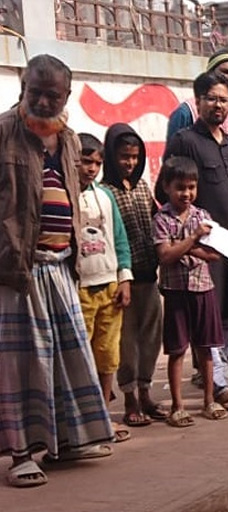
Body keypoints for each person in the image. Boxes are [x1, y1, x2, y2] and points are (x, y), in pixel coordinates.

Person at [1, 55, 116, 487]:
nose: (45, 101)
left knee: (67, 357)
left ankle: (65, 441)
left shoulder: (68, 140)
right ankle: (20, 454)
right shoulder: (3, 132)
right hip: (16, 270)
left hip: (61, 265)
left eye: (54, 95)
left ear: (66, 96)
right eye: (37, 92)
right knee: (20, 364)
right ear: (22, 86)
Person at [163, 70, 228, 412]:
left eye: (224, 100)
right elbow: (174, 189)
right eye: (212, 98)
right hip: (203, 235)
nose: (218, 105)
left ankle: (225, 373)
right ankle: (216, 383)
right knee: (210, 310)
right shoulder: (185, 141)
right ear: (198, 100)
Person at [153, 156, 225, 427]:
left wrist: (182, 246)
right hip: (175, 290)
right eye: (180, 187)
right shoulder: (161, 219)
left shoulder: (202, 216)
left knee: (206, 347)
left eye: (191, 187)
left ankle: (209, 399)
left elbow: (214, 254)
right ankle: (178, 406)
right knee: (177, 349)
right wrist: (193, 240)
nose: (186, 193)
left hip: (203, 288)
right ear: (167, 187)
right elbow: (165, 256)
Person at [103, 123, 167, 427]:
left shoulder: (142, 186)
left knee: (151, 339)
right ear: (110, 156)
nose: (129, 162)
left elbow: (155, 219)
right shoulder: (105, 192)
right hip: (122, 281)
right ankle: (128, 399)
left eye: (134, 156)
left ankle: (145, 392)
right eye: (123, 156)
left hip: (149, 277)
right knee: (126, 343)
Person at [74, 133, 134, 443]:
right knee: (80, 355)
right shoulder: (66, 195)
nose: (91, 168)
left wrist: (124, 277)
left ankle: (104, 417)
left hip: (109, 284)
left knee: (108, 355)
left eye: (96, 163)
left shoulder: (105, 196)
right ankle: (84, 422)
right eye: (85, 161)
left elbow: (119, 239)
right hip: (79, 287)